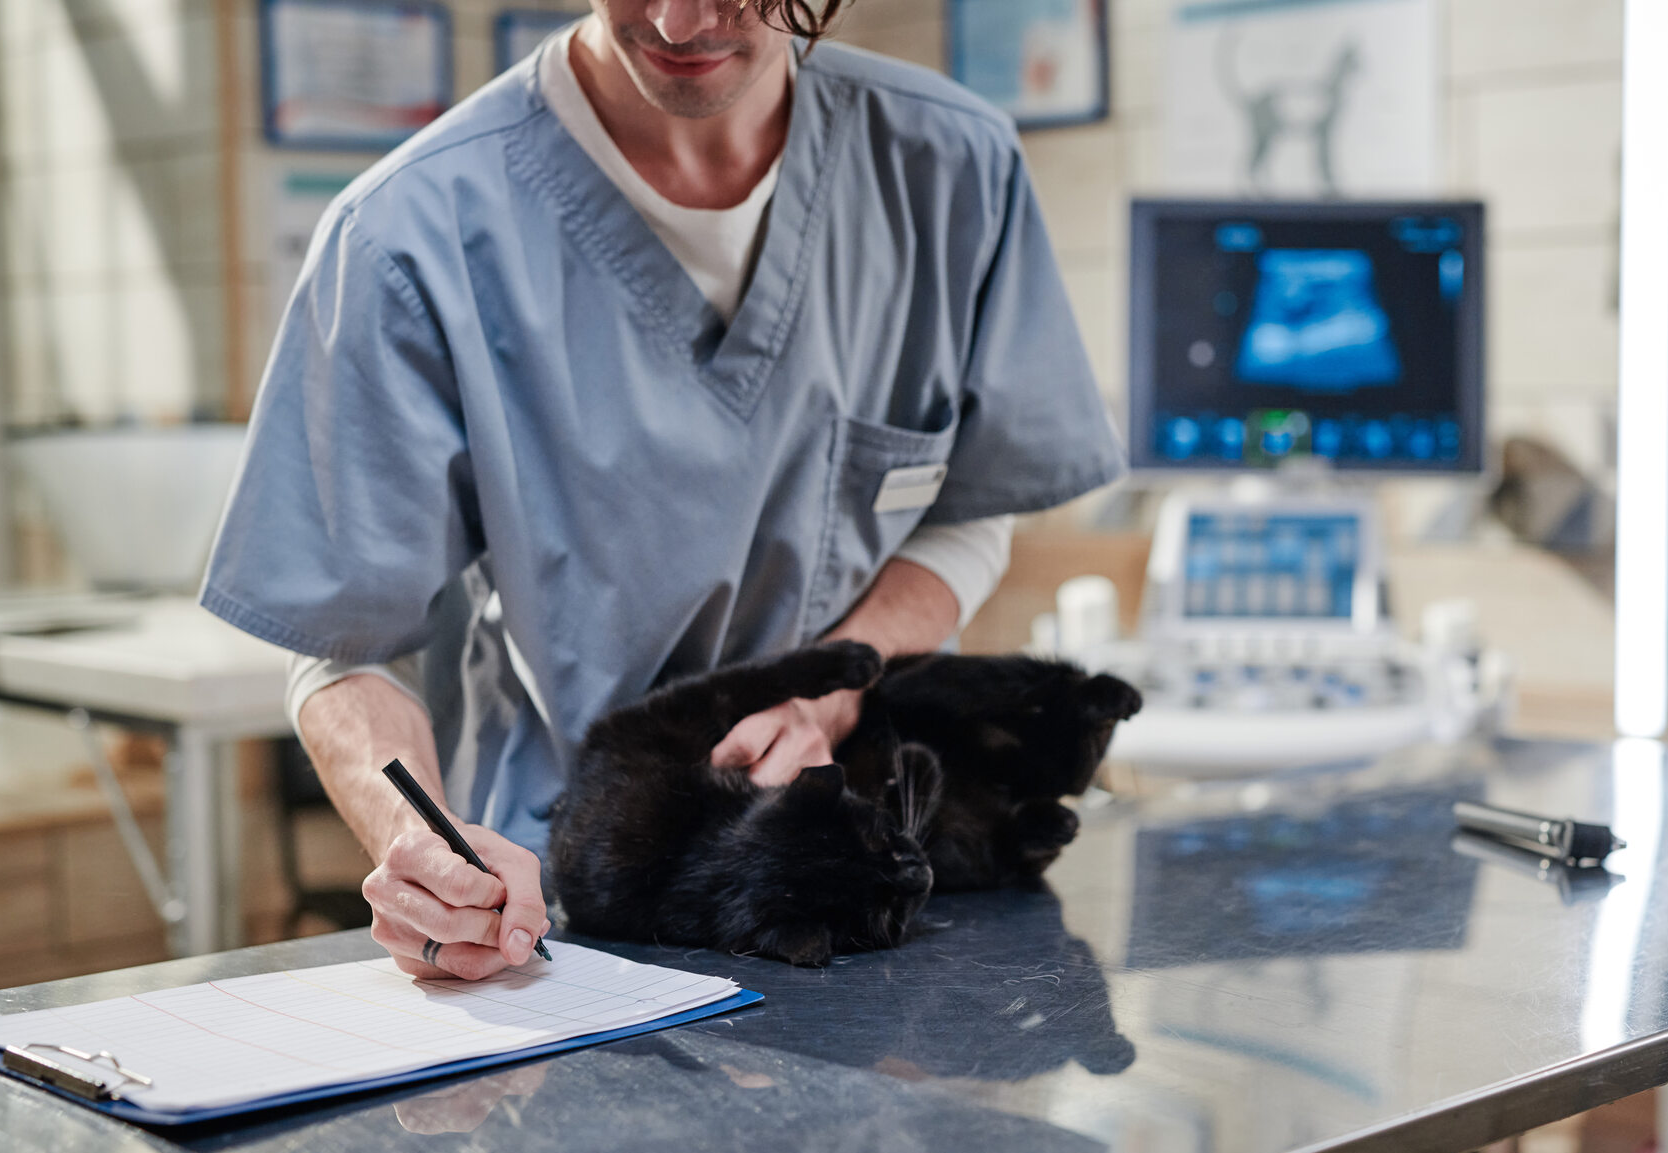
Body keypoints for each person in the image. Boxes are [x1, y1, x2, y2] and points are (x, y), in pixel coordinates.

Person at [201, 0, 1124, 982]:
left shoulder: (949, 168)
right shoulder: (406, 236)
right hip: (559, 924)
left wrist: (832, 690)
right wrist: (415, 837)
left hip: (856, 893)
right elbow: (342, 644)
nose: (681, 21)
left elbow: (970, 508)